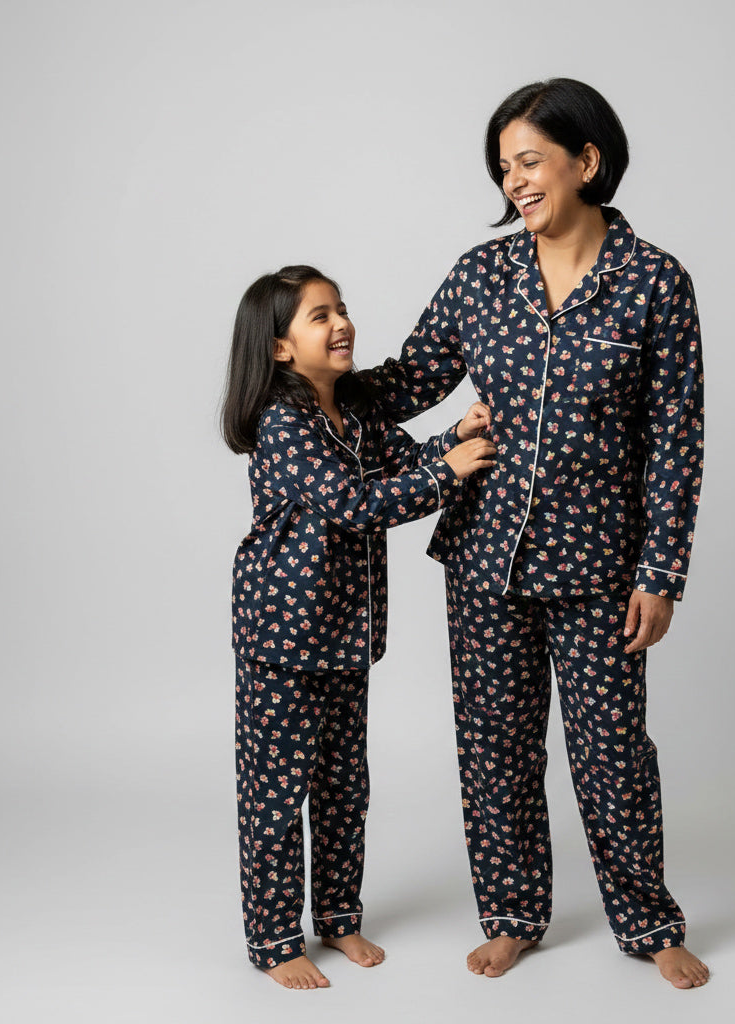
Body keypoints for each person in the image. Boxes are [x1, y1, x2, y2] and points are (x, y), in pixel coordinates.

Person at [364, 79, 709, 989]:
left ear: (585, 161)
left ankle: (646, 921)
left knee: (610, 751)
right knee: (495, 745)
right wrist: (306, 376)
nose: (514, 180)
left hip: (602, 565)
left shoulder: (655, 283)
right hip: (483, 557)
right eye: (503, 165)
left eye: (529, 161)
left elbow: (676, 436)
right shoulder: (481, 277)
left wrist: (662, 568)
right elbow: (407, 382)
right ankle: (513, 913)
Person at [221, 265, 495, 990]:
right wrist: (452, 472)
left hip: (344, 637)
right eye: (319, 316)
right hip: (284, 637)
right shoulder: (284, 421)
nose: (341, 323)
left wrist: (454, 438)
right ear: (280, 348)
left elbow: (404, 463)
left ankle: (338, 917)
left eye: (341, 309)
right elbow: (355, 502)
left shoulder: (356, 409)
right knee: (277, 793)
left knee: (345, 785)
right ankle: (276, 939)